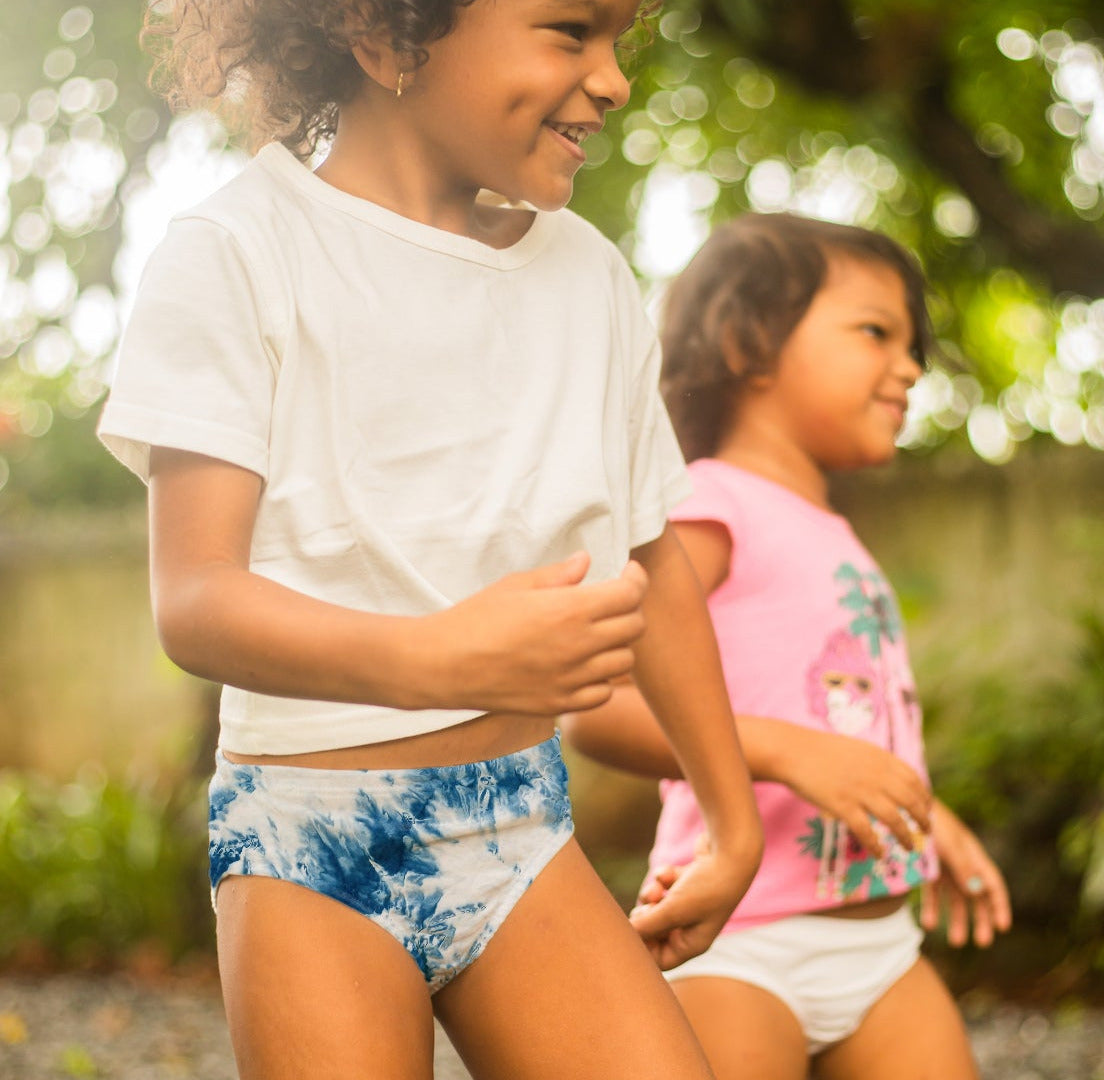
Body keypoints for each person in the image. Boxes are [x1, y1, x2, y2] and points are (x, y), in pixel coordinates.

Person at [97, 2, 763, 1078]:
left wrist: (732, 821)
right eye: (567, 32)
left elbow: (654, 564)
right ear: (387, 36)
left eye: (618, 45)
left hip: (521, 823)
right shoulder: (238, 253)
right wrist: (438, 659)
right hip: (312, 843)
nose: (614, 81)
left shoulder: (590, 281)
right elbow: (196, 598)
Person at [562, 213, 1012, 1080]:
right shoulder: (706, 508)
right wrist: (785, 751)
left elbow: (845, 722)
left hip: (881, 948)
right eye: (876, 332)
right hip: (735, 948)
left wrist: (920, 815)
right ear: (748, 342)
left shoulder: (831, 531)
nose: (912, 365)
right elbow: (597, 708)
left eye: (914, 344)